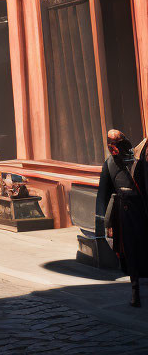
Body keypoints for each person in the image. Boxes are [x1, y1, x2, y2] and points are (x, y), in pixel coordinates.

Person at [98, 129, 148, 307]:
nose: (113, 147)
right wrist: (105, 221)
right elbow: (104, 194)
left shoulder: (138, 163)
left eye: (116, 143)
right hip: (123, 214)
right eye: (110, 143)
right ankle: (136, 292)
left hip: (141, 212)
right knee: (130, 252)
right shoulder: (109, 164)